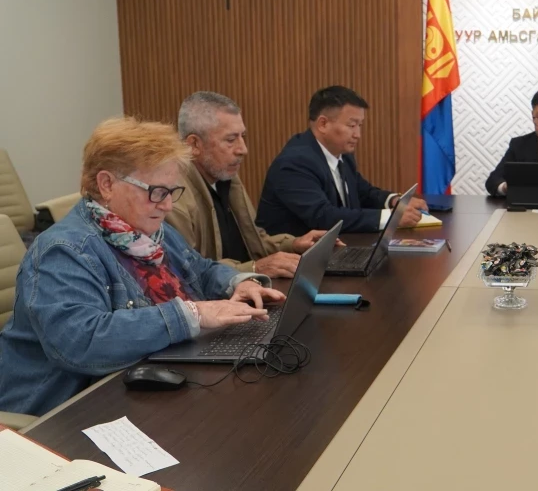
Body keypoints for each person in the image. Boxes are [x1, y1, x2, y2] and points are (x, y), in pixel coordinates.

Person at [0, 118, 283, 416]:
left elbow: (199, 269)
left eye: (172, 192)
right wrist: (192, 314)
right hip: (66, 413)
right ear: (107, 184)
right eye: (157, 192)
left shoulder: (148, 229)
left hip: (146, 382)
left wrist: (238, 282)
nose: (167, 205)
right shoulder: (62, 251)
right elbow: (81, 343)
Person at [168, 91, 342, 278]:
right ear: (194, 144)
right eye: (230, 140)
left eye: (243, 136)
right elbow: (187, 272)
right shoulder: (172, 198)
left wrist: (293, 244)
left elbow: (253, 240)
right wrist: (254, 269)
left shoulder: (226, 177)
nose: (243, 149)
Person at [256, 85, 428, 235]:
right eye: (351, 125)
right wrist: (391, 217)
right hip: (293, 257)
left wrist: (394, 201)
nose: (357, 134)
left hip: (338, 249)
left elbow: (363, 192)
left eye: (360, 125)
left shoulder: (342, 154)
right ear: (323, 124)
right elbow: (323, 217)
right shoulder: (295, 162)